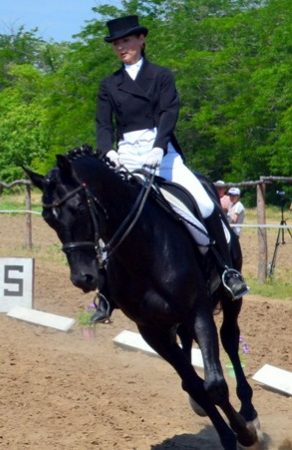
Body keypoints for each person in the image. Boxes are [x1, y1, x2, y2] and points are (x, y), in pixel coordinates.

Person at [91, 15, 249, 323]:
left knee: (204, 203)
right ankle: (106, 291)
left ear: (141, 40)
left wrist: (159, 147)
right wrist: (109, 152)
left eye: (126, 41)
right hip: (126, 156)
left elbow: (168, 113)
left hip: (162, 154)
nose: (121, 48)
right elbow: (102, 125)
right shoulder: (109, 84)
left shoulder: (161, 76)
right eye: (116, 44)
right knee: (101, 212)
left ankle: (227, 271)